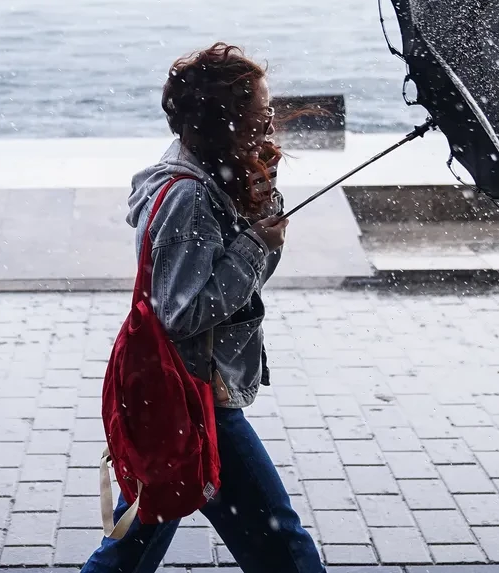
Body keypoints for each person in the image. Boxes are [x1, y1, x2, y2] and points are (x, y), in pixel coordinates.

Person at [82, 43, 325, 573]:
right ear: (227, 121)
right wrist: (256, 244)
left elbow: (236, 285)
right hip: (196, 396)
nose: (270, 122)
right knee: (283, 547)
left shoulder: (208, 175)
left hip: (180, 392)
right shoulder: (189, 197)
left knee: (135, 543)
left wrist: (260, 212)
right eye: (260, 113)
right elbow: (184, 311)